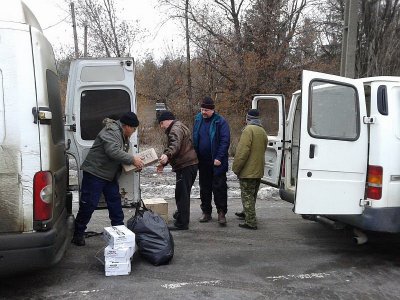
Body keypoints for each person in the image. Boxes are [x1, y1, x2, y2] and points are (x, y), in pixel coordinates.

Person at [71, 112, 144, 246]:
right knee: (89, 205)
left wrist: (134, 165)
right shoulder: (111, 131)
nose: (133, 132)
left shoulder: (122, 134)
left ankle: (120, 233)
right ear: (127, 126)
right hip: (95, 173)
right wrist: (133, 159)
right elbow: (113, 151)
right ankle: (78, 233)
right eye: (133, 129)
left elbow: (120, 156)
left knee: (115, 204)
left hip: (108, 175)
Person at [156, 111, 198, 230]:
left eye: (162, 123)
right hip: (188, 164)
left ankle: (182, 223)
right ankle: (180, 215)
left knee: (182, 195)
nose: (161, 126)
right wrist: (164, 163)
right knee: (181, 193)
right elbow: (178, 149)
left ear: (166, 120)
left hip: (186, 166)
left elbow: (175, 145)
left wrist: (167, 155)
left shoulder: (175, 130)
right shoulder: (180, 126)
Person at [193, 96, 230, 225]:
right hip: (203, 161)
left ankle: (221, 213)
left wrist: (219, 157)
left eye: (206, 110)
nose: (203, 112)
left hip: (217, 162)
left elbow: (225, 141)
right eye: (202, 109)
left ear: (212, 110)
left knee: (219, 187)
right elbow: (195, 138)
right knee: (204, 188)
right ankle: (206, 212)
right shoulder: (198, 119)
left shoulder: (220, 121)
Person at [232, 109, 268, 230]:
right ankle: (246, 213)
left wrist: (236, 168)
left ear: (248, 118)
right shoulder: (262, 131)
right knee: (252, 195)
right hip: (258, 169)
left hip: (248, 171)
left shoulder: (248, 130)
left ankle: (250, 221)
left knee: (246, 195)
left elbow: (243, 152)